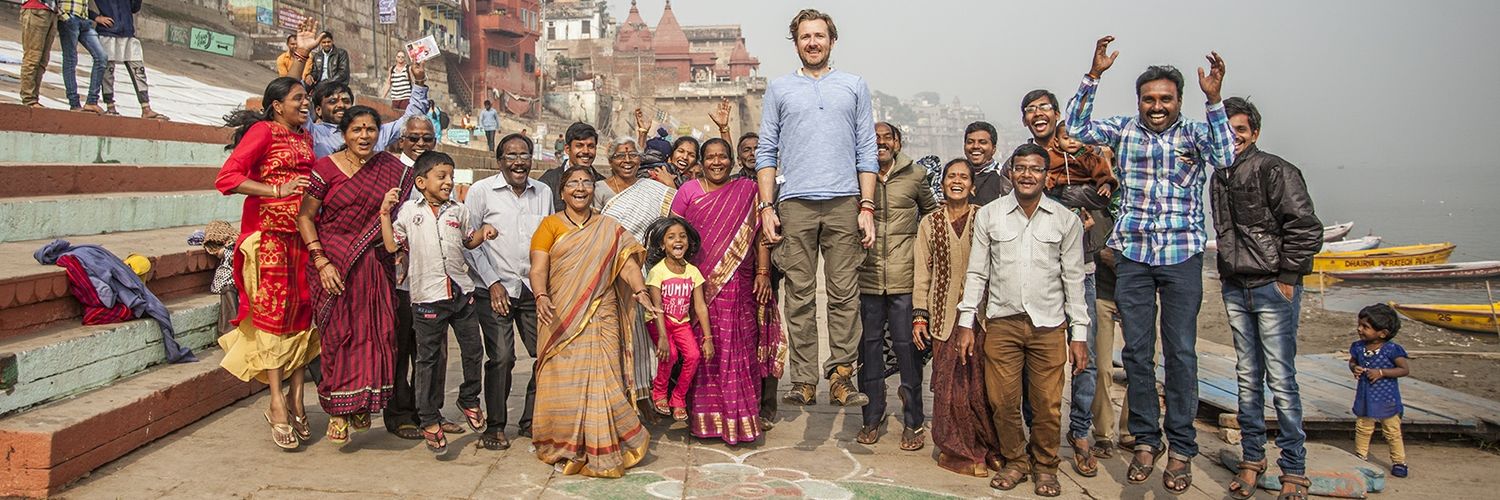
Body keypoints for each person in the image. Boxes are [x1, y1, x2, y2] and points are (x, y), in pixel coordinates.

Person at [1065, 35, 1231, 493]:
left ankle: (1181, 448)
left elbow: (1227, 157)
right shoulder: (1123, 130)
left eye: (1166, 99)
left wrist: (1214, 100)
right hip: (1134, 256)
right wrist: (1093, 75)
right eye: (1149, 99)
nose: (1157, 106)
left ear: (1179, 100)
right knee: (1137, 354)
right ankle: (1145, 439)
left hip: (1181, 258)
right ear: (1138, 101)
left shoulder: (1196, 134)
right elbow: (1075, 130)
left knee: (1180, 354)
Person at [756, 8, 877, 408]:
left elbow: (866, 150)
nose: (812, 42)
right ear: (796, 42)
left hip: (844, 201)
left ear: (832, 40)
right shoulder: (780, 89)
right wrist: (766, 207)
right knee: (799, 294)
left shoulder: (854, 86)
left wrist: (867, 206)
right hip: (795, 204)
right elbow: (766, 151)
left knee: (844, 295)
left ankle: (842, 376)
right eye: (805, 36)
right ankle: (804, 380)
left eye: (819, 36)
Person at [954, 145, 1089, 497]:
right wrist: (966, 322)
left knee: (1047, 404)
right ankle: (1016, 460)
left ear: (1047, 175)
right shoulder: (991, 216)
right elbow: (977, 272)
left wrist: (1079, 334)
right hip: (1002, 322)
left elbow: (1073, 280)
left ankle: (1046, 466)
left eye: (1035, 169)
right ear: (1010, 173)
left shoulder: (1065, 220)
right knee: (1002, 401)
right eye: (1021, 168)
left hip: (1049, 327)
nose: (1027, 174)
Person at [1214, 97, 1323, 500]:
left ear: (1254, 133)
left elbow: (1306, 227)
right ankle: (1252, 457)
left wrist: (1289, 277)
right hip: (1235, 285)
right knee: (1246, 377)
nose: (1234, 138)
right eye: (1226, 131)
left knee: (1280, 378)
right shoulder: (1219, 175)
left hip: (1272, 285)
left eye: (1240, 130)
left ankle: (1293, 468)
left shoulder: (1273, 168)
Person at [295, 105, 416, 445]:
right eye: (357, 130)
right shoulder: (325, 169)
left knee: (375, 333)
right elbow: (305, 217)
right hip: (331, 261)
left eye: (371, 130)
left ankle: (360, 403)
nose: (364, 136)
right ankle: (337, 408)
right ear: (344, 134)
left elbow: (402, 217)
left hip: (374, 264)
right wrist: (320, 260)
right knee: (337, 336)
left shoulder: (392, 169)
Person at [528, 166, 657, 478]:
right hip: (560, 313)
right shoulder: (549, 225)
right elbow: (537, 267)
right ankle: (567, 445)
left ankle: (603, 444)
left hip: (603, 314)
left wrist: (640, 290)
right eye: (573, 183)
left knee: (604, 378)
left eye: (587, 182)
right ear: (562, 192)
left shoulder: (609, 227)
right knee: (564, 381)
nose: (581, 188)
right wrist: (541, 295)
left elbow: (626, 263)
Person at [213, 76, 320, 450]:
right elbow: (227, 179)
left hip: (303, 238)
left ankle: (296, 397)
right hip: (269, 240)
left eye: (306, 98)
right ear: (277, 105)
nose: (305, 104)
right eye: (298, 99)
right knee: (274, 319)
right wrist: (275, 190)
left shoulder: (305, 137)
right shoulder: (263, 132)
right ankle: (276, 402)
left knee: (303, 316)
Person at [380, 151, 498, 454]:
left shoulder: (458, 211)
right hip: (427, 297)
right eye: (441, 176)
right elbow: (393, 245)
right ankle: (429, 418)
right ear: (421, 182)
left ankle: (469, 398)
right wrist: (384, 213)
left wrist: (484, 234)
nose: (448, 181)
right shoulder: (408, 212)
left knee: (474, 351)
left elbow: (468, 241)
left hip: (460, 292)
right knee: (427, 361)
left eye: (451, 176)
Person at [671, 138, 784, 444]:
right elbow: (674, 236)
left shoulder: (747, 191)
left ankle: (741, 419)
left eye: (723, 157)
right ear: (701, 162)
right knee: (704, 350)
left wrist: (762, 272)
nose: (716, 162)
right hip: (698, 285)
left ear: (733, 162)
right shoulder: (688, 192)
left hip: (740, 282)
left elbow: (761, 235)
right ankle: (705, 421)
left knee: (739, 348)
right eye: (710, 157)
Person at [913, 158, 1000, 476]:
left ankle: (984, 445)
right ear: (943, 183)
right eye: (951, 176)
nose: (957, 181)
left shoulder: (986, 219)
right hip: (942, 318)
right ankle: (957, 451)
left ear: (973, 185)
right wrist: (919, 316)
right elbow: (922, 273)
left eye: (964, 176)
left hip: (981, 317)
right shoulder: (930, 222)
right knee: (951, 390)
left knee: (980, 388)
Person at [465, 133, 552, 449]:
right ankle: (495, 426)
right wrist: (492, 282)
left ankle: (531, 421)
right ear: (499, 161)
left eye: (524, 155)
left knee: (545, 354)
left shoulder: (542, 192)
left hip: (531, 288)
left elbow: (547, 242)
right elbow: (468, 241)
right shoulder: (481, 191)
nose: (518, 161)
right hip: (494, 288)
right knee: (501, 357)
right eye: (511, 155)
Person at [855, 122, 938, 448]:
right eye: (874, 139)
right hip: (868, 278)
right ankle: (872, 418)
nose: (880, 143)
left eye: (886, 138)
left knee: (908, 352)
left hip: (905, 279)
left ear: (898, 142)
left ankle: (914, 422)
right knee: (870, 352)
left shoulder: (915, 175)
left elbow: (933, 217)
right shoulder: (860, 178)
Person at [286, 26, 429, 160]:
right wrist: (303, 53)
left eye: (346, 101)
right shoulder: (313, 133)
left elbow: (411, 119)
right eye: (332, 101)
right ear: (318, 110)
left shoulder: (374, 133)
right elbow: (289, 94)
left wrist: (419, 81)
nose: (341, 105)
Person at [381, 117, 439, 442]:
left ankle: (426, 411)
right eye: (414, 137)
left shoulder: (438, 169)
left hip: (432, 278)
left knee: (430, 351)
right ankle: (400, 413)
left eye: (426, 138)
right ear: (402, 140)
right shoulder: (391, 172)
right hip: (399, 278)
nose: (420, 143)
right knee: (400, 348)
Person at [642, 217, 713, 422]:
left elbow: (700, 306)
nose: (678, 241)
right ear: (663, 245)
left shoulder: (693, 272)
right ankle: (659, 393)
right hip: (659, 322)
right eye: (671, 237)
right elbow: (657, 307)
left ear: (689, 242)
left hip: (681, 323)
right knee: (670, 354)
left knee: (693, 356)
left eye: (682, 236)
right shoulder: (657, 272)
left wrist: (708, 339)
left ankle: (678, 398)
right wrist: (663, 337)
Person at [1349, 304, 1410, 480]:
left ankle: (1399, 462)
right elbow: (1352, 362)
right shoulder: (1358, 347)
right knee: (1363, 427)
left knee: (1392, 431)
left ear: (1382, 333)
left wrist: (1381, 372)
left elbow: (1404, 370)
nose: (1359, 329)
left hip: (1386, 398)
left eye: (1365, 327)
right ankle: (1360, 456)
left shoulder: (1391, 350)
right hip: (1365, 397)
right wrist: (1355, 368)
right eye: (1359, 325)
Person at [89, 0, 167, 120]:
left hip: (128, 31)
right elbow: (81, 5)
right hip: (107, 32)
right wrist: (96, 18)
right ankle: (110, 106)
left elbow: (134, 8)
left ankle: (146, 107)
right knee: (108, 72)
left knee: (138, 70)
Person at [538, 122, 605, 212]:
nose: (586, 151)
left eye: (591, 146)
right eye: (579, 146)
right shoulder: (549, 182)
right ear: (567, 149)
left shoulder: (602, 184)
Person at [57, 0, 108, 113]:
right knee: (70, 59)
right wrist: (63, 15)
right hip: (69, 16)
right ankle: (74, 103)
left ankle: (92, 101)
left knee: (101, 57)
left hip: (84, 19)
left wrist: (93, 17)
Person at [18, 0, 59, 109]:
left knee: (43, 60)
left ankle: (34, 97)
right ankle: (28, 98)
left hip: (51, 10)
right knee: (33, 57)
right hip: (36, 9)